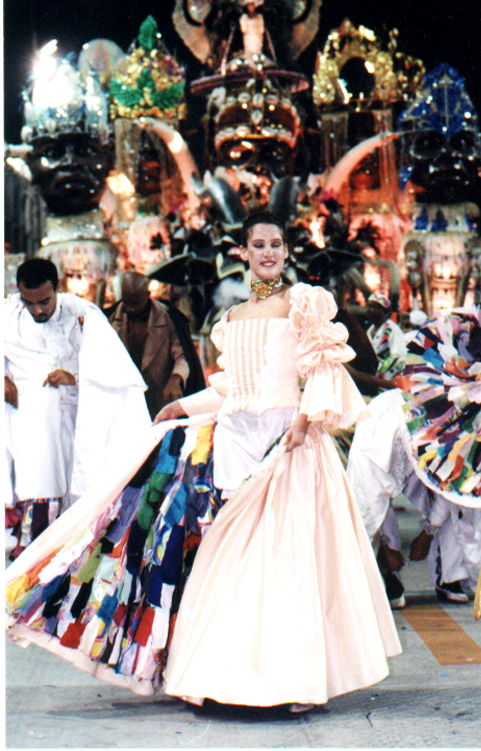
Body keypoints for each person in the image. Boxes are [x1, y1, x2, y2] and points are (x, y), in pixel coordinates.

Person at [6, 213, 402, 712]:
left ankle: (295, 683)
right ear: (244, 252)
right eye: (258, 245)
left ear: (285, 251)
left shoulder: (304, 302)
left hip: (289, 446)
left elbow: (324, 370)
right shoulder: (232, 318)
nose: (268, 253)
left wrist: (301, 426)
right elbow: (232, 388)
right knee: (228, 562)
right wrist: (181, 406)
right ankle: (225, 678)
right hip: (235, 445)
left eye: (275, 245)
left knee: (287, 563)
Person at [4, 258, 150, 557]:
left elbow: (113, 372)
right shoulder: (8, 315)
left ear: (57, 288)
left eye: (44, 302)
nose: (37, 310)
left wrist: (76, 378)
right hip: (26, 424)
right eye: (29, 303)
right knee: (36, 482)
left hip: (75, 418)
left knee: (76, 496)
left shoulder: (83, 315)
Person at [108, 272, 205, 419]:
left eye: (136, 303)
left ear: (148, 295)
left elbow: (182, 356)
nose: (131, 309)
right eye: (127, 303)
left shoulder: (169, 318)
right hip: (123, 404)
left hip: (159, 402)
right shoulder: (109, 320)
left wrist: (176, 379)